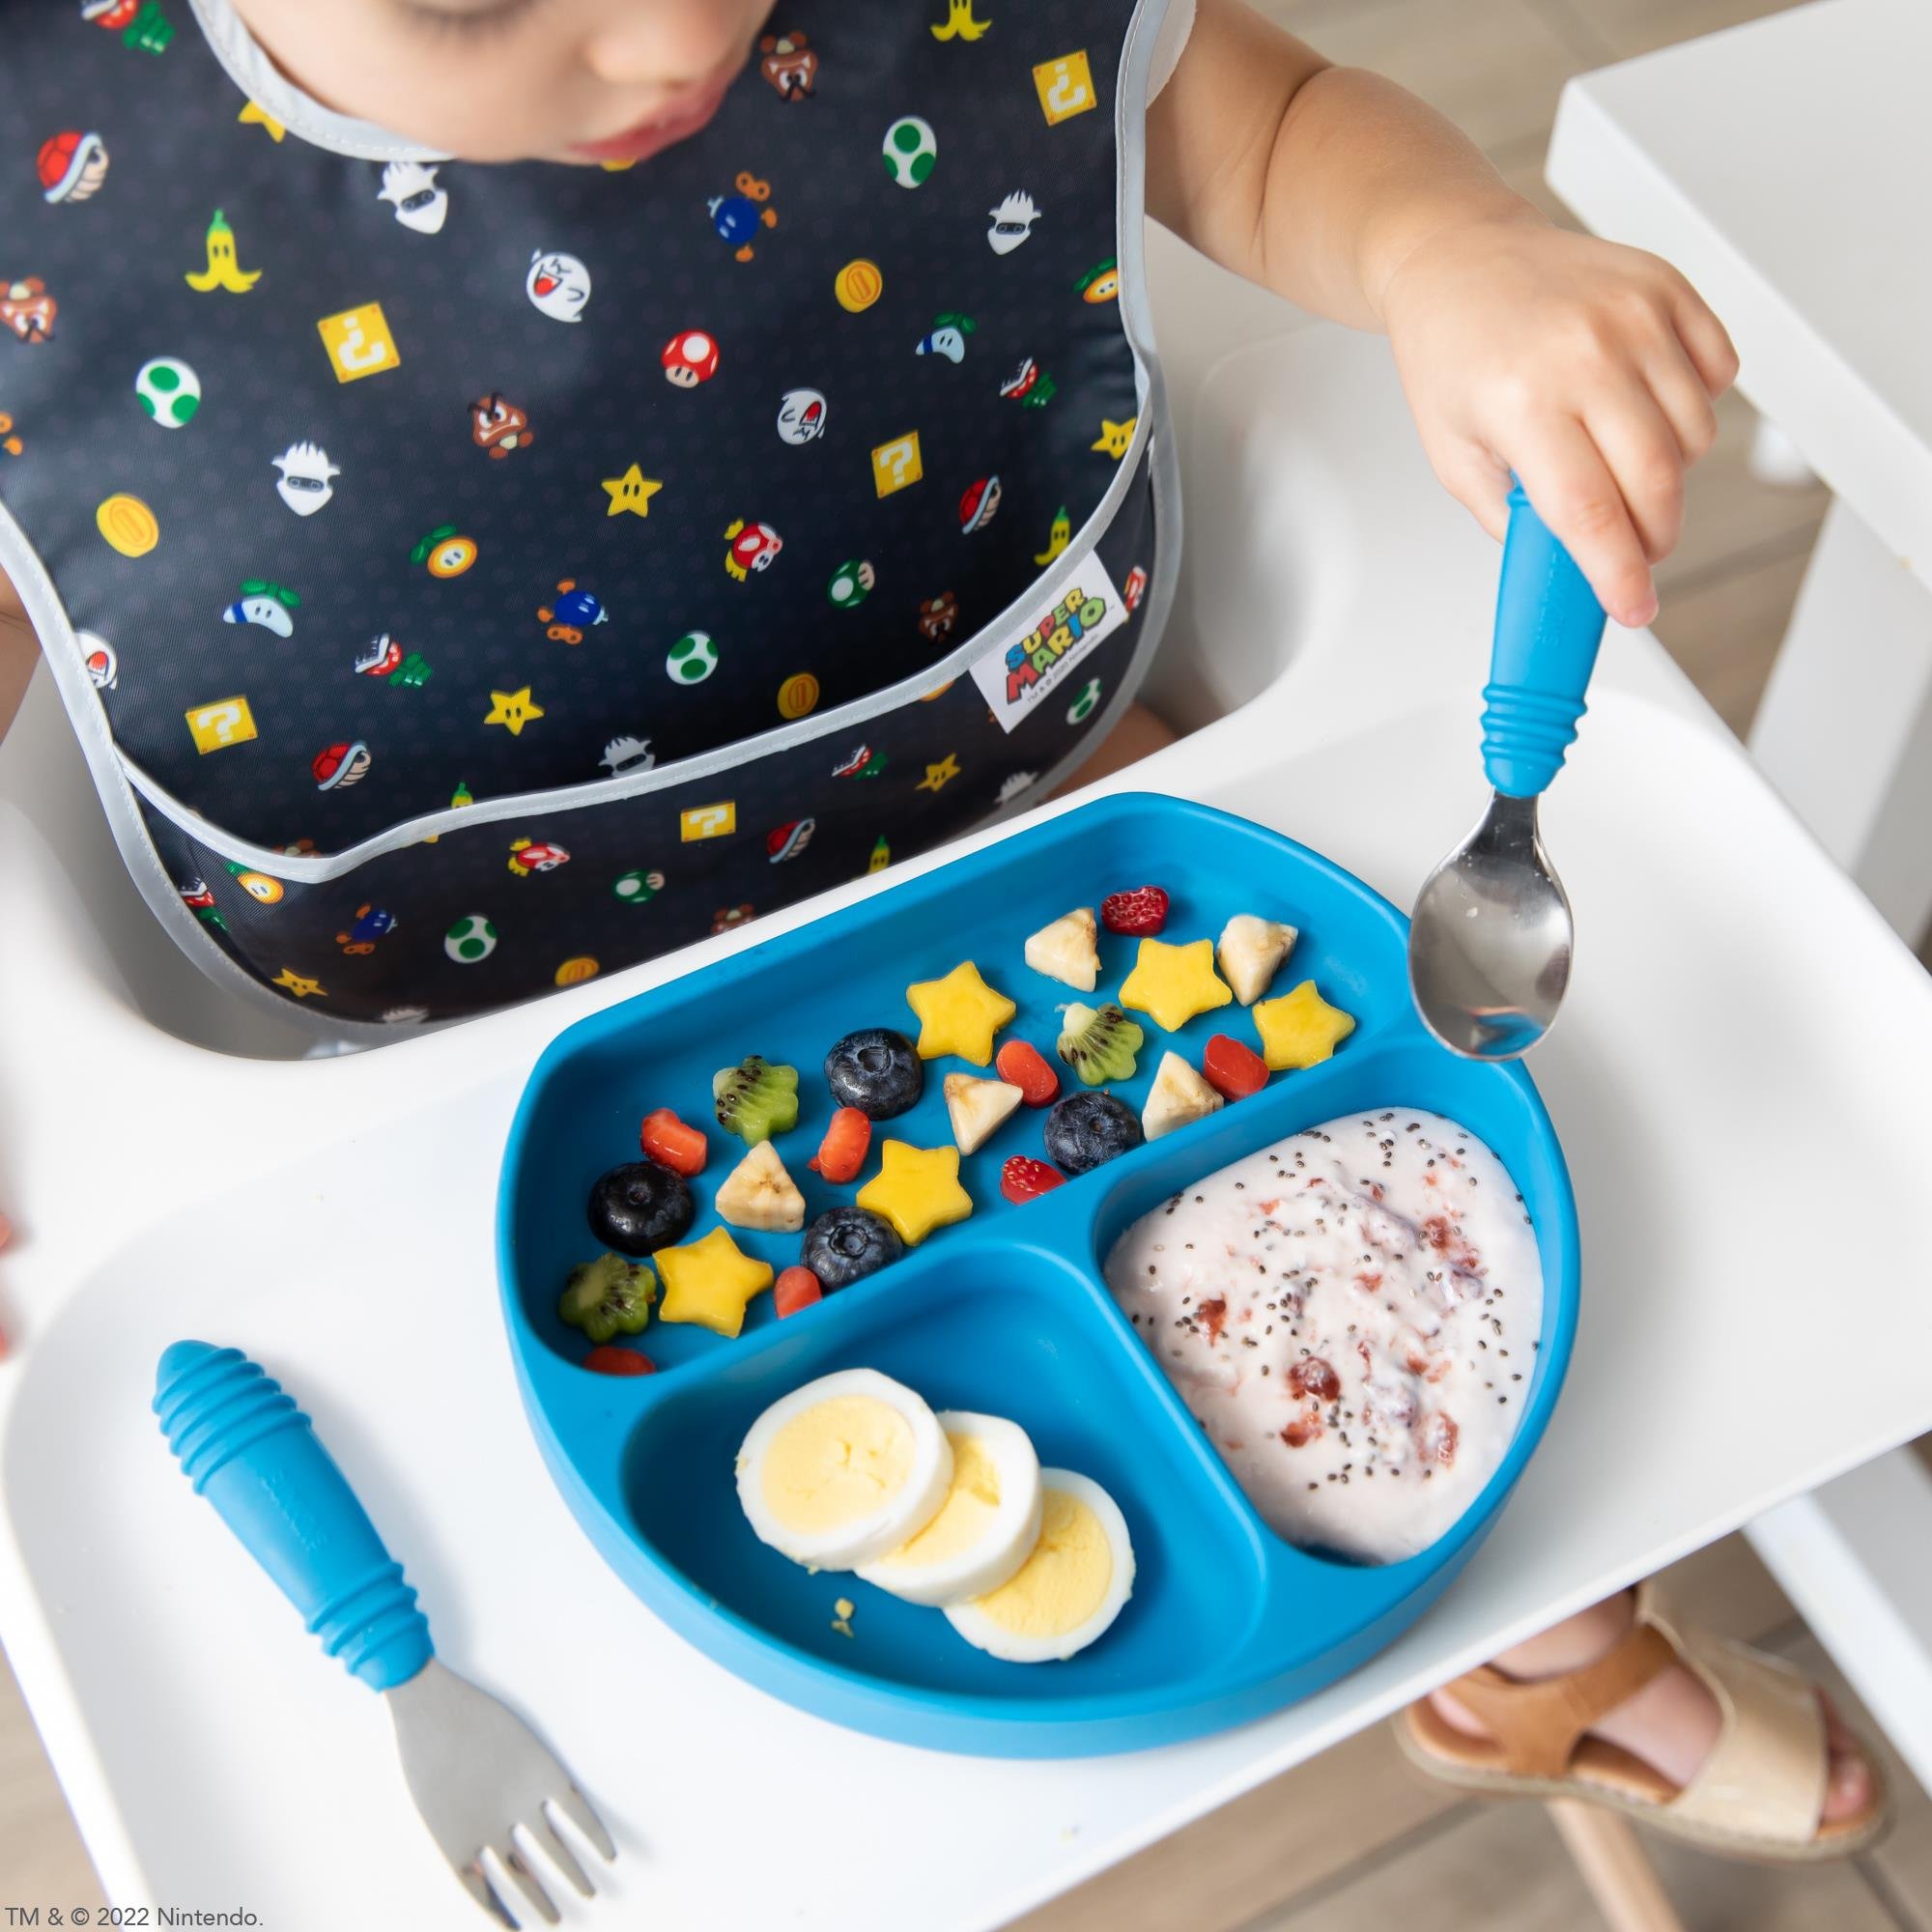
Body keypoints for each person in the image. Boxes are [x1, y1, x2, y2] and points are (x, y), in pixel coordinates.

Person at [0, 0, 1878, 1855]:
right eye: (476, 2)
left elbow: (1247, 119)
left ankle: (1541, 1646)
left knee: (1502, 1364)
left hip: (1021, 801)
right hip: (484, 999)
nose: (667, 40)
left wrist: (1450, 246)